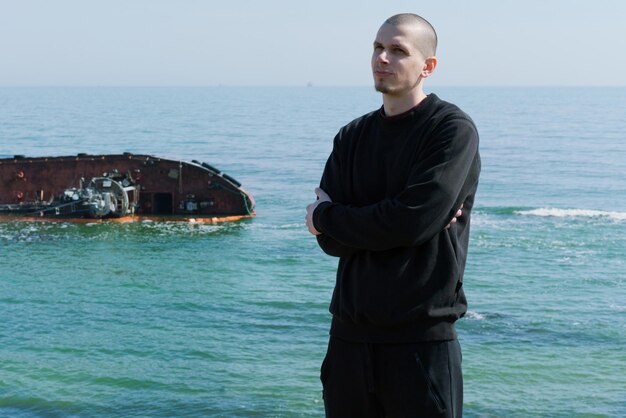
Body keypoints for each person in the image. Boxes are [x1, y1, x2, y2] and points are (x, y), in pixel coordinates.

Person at [305, 13, 481, 418]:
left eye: (398, 50)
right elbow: (330, 242)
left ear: (427, 66)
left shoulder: (450, 130)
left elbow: (411, 222)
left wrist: (330, 215)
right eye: (377, 47)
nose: (382, 57)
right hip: (348, 340)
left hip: (420, 342)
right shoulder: (352, 136)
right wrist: (360, 222)